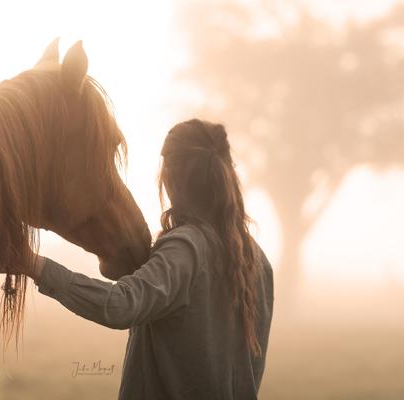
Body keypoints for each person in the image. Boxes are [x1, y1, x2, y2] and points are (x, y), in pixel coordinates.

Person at [17, 119, 274, 399]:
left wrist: (33, 264)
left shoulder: (185, 250)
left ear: (171, 177)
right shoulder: (258, 262)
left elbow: (119, 305)